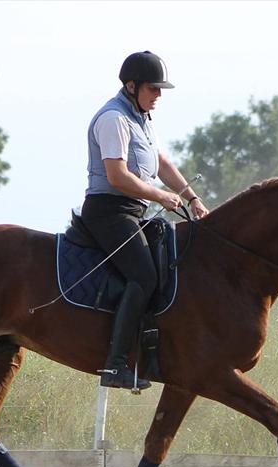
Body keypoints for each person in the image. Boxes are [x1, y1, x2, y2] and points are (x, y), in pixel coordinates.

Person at [81, 50, 210, 390]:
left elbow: (162, 163)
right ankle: (116, 365)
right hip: (109, 212)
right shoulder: (114, 119)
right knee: (143, 275)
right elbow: (118, 176)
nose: (159, 96)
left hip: (133, 211)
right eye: (153, 89)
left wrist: (192, 197)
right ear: (132, 85)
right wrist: (160, 196)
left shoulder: (141, 118)